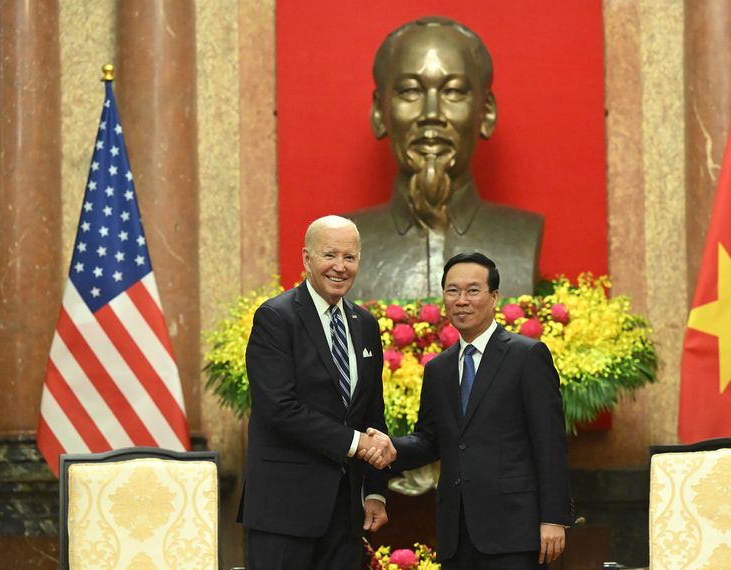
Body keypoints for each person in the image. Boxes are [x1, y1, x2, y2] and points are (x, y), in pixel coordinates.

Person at [364, 252, 575, 569]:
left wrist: (554, 518)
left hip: (516, 532)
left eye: (473, 290)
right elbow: (429, 440)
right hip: (457, 535)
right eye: (453, 291)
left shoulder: (527, 356)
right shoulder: (439, 368)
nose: (461, 300)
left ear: (494, 297)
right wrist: (391, 448)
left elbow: (550, 442)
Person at [238, 215, 397, 569]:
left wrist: (375, 491)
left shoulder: (365, 324)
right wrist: (357, 443)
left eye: (349, 257)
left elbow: (372, 412)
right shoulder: (276, 318)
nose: (340, 267)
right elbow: (279, 408)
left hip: (345, 514)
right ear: (307, 259)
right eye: (330, 255)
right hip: (284, 512)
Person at [347, 17, 544, 300]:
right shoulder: (341, 246)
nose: (431, 114)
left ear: (486, 112)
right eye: (410, 91)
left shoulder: (522, 236)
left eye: (453, 91)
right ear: (379, 112)